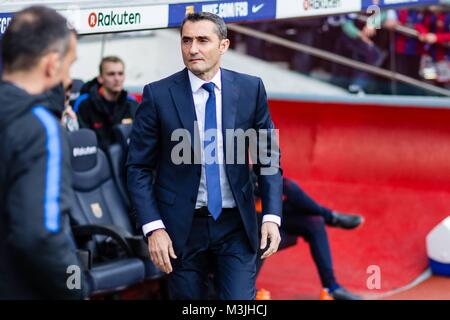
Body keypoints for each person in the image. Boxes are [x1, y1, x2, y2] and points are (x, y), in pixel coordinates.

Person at [127, 12, 283, 300]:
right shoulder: (158, 95)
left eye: (202, 40)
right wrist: (153, 228)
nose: (193, 49)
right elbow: (138, 168)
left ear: (223, 45)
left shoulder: (251, 89)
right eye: (186, 40)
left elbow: (268, 158)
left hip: (236, 224)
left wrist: (272, 216)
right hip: (180, 229)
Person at [0, 6, 89, 299]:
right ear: (51, 64)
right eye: (70, 65)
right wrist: (78, 286)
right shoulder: (42, 129)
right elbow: (42, 235)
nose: (68, 78)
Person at [255, 177, 363, 300]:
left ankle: (332, 288)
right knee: (286, 186)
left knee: (314, 222)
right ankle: (331, 217)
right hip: (242, 220)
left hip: (263, 216)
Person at [73, 56, 138, 151]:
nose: (117, 78)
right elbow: (82, 141)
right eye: (111, 74)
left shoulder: (132, 104)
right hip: (98, 160)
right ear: (100, 78)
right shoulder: (84, 104)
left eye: (120, 73)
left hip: (125, 160)